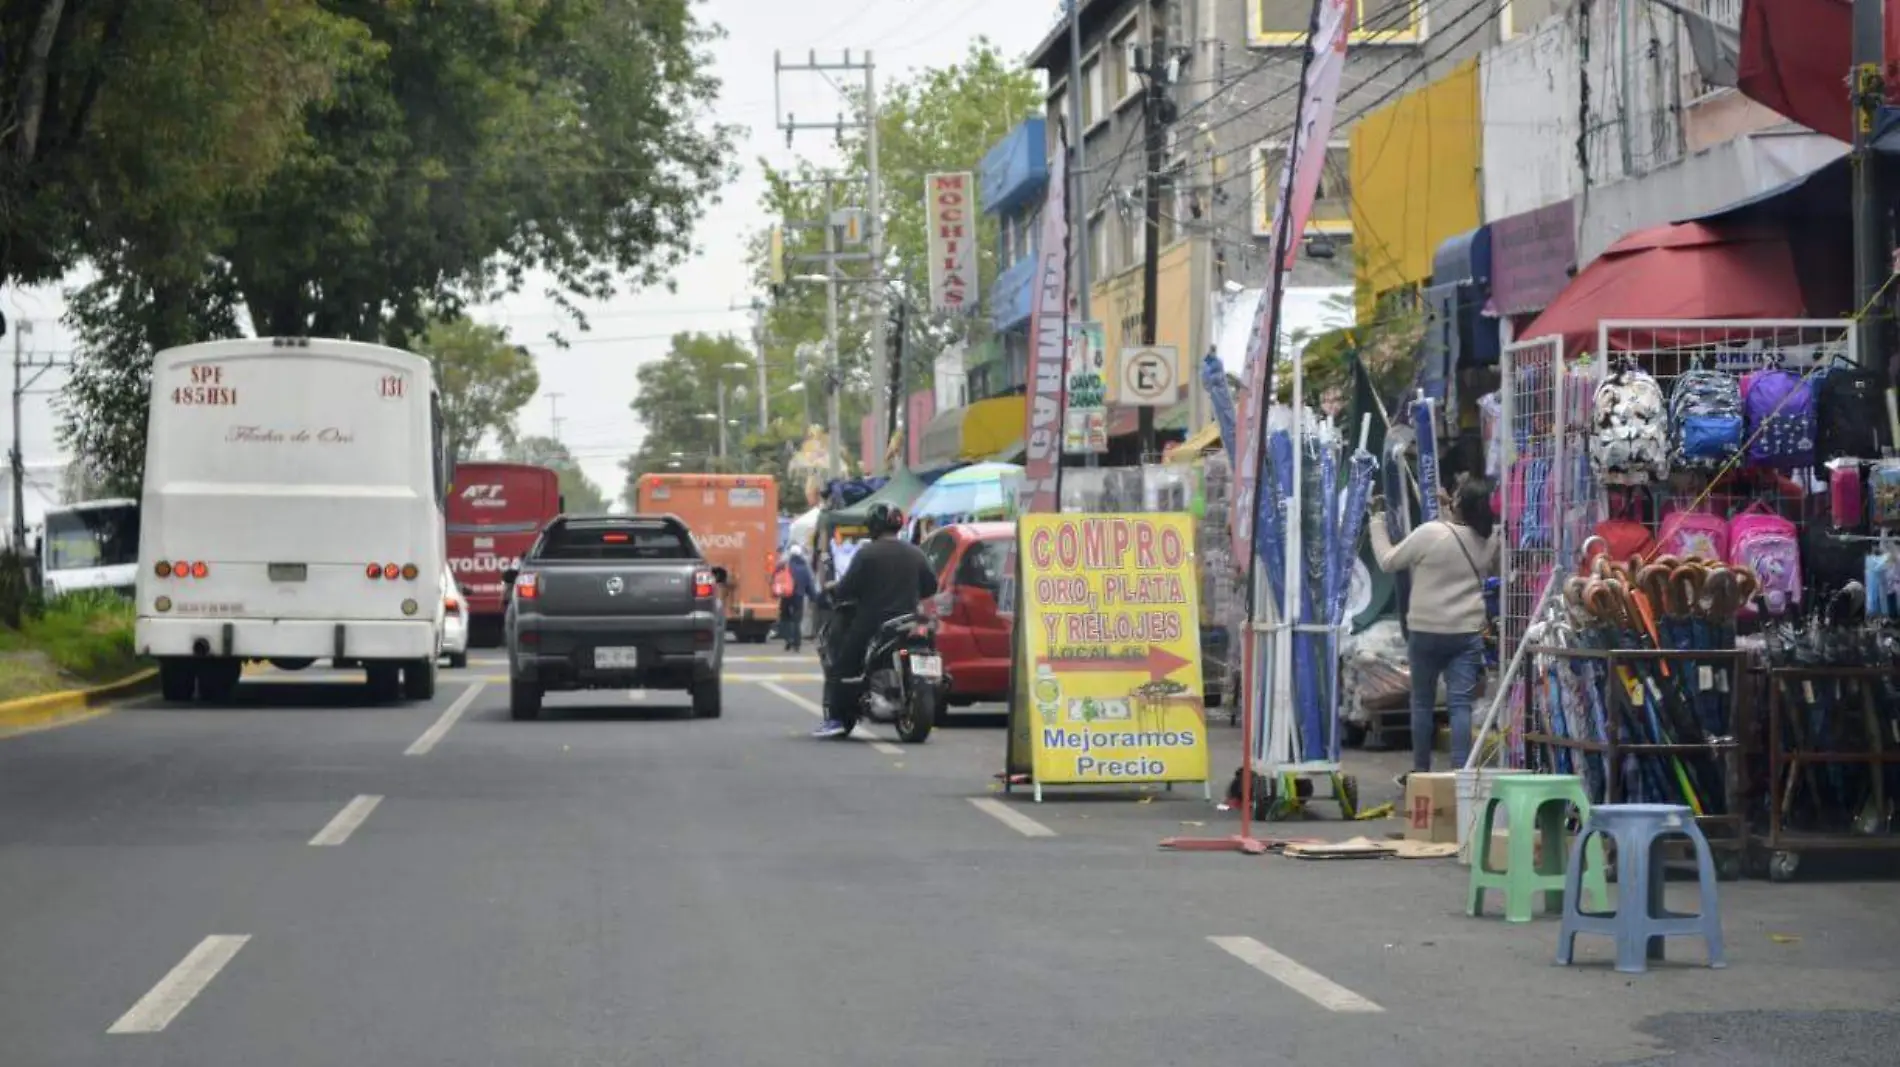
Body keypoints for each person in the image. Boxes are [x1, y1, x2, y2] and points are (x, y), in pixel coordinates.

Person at [1369, 476, 1498, 781]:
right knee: (1460, 706)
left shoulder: (1430, 533)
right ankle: (1460, 775)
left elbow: (1389, 561)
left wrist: (1376, 522)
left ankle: (1421, 772)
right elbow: (1455, 539)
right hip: (1466, 634)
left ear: (1459, 505)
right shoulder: (1489, 540)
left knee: (1423, 704)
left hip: (1425, 632)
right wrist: (1452, 509)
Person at [815, 502, 937, 738]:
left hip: (873, 623)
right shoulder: (915, 552)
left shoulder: (866, 554)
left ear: (873, 526)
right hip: (910, 619)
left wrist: (834, 590)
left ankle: (837, 718)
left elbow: (846, 589)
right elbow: (931, 586)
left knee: (842, 665)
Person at [781, 544, 816, 653]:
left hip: (786, 595)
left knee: (785, 618)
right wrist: (813, 597)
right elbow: (809, 584)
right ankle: (797, 643)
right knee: (797, 620)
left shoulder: (784, 565)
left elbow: (776, 578)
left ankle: (788, 639)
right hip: (799, 596)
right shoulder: (804, 567)